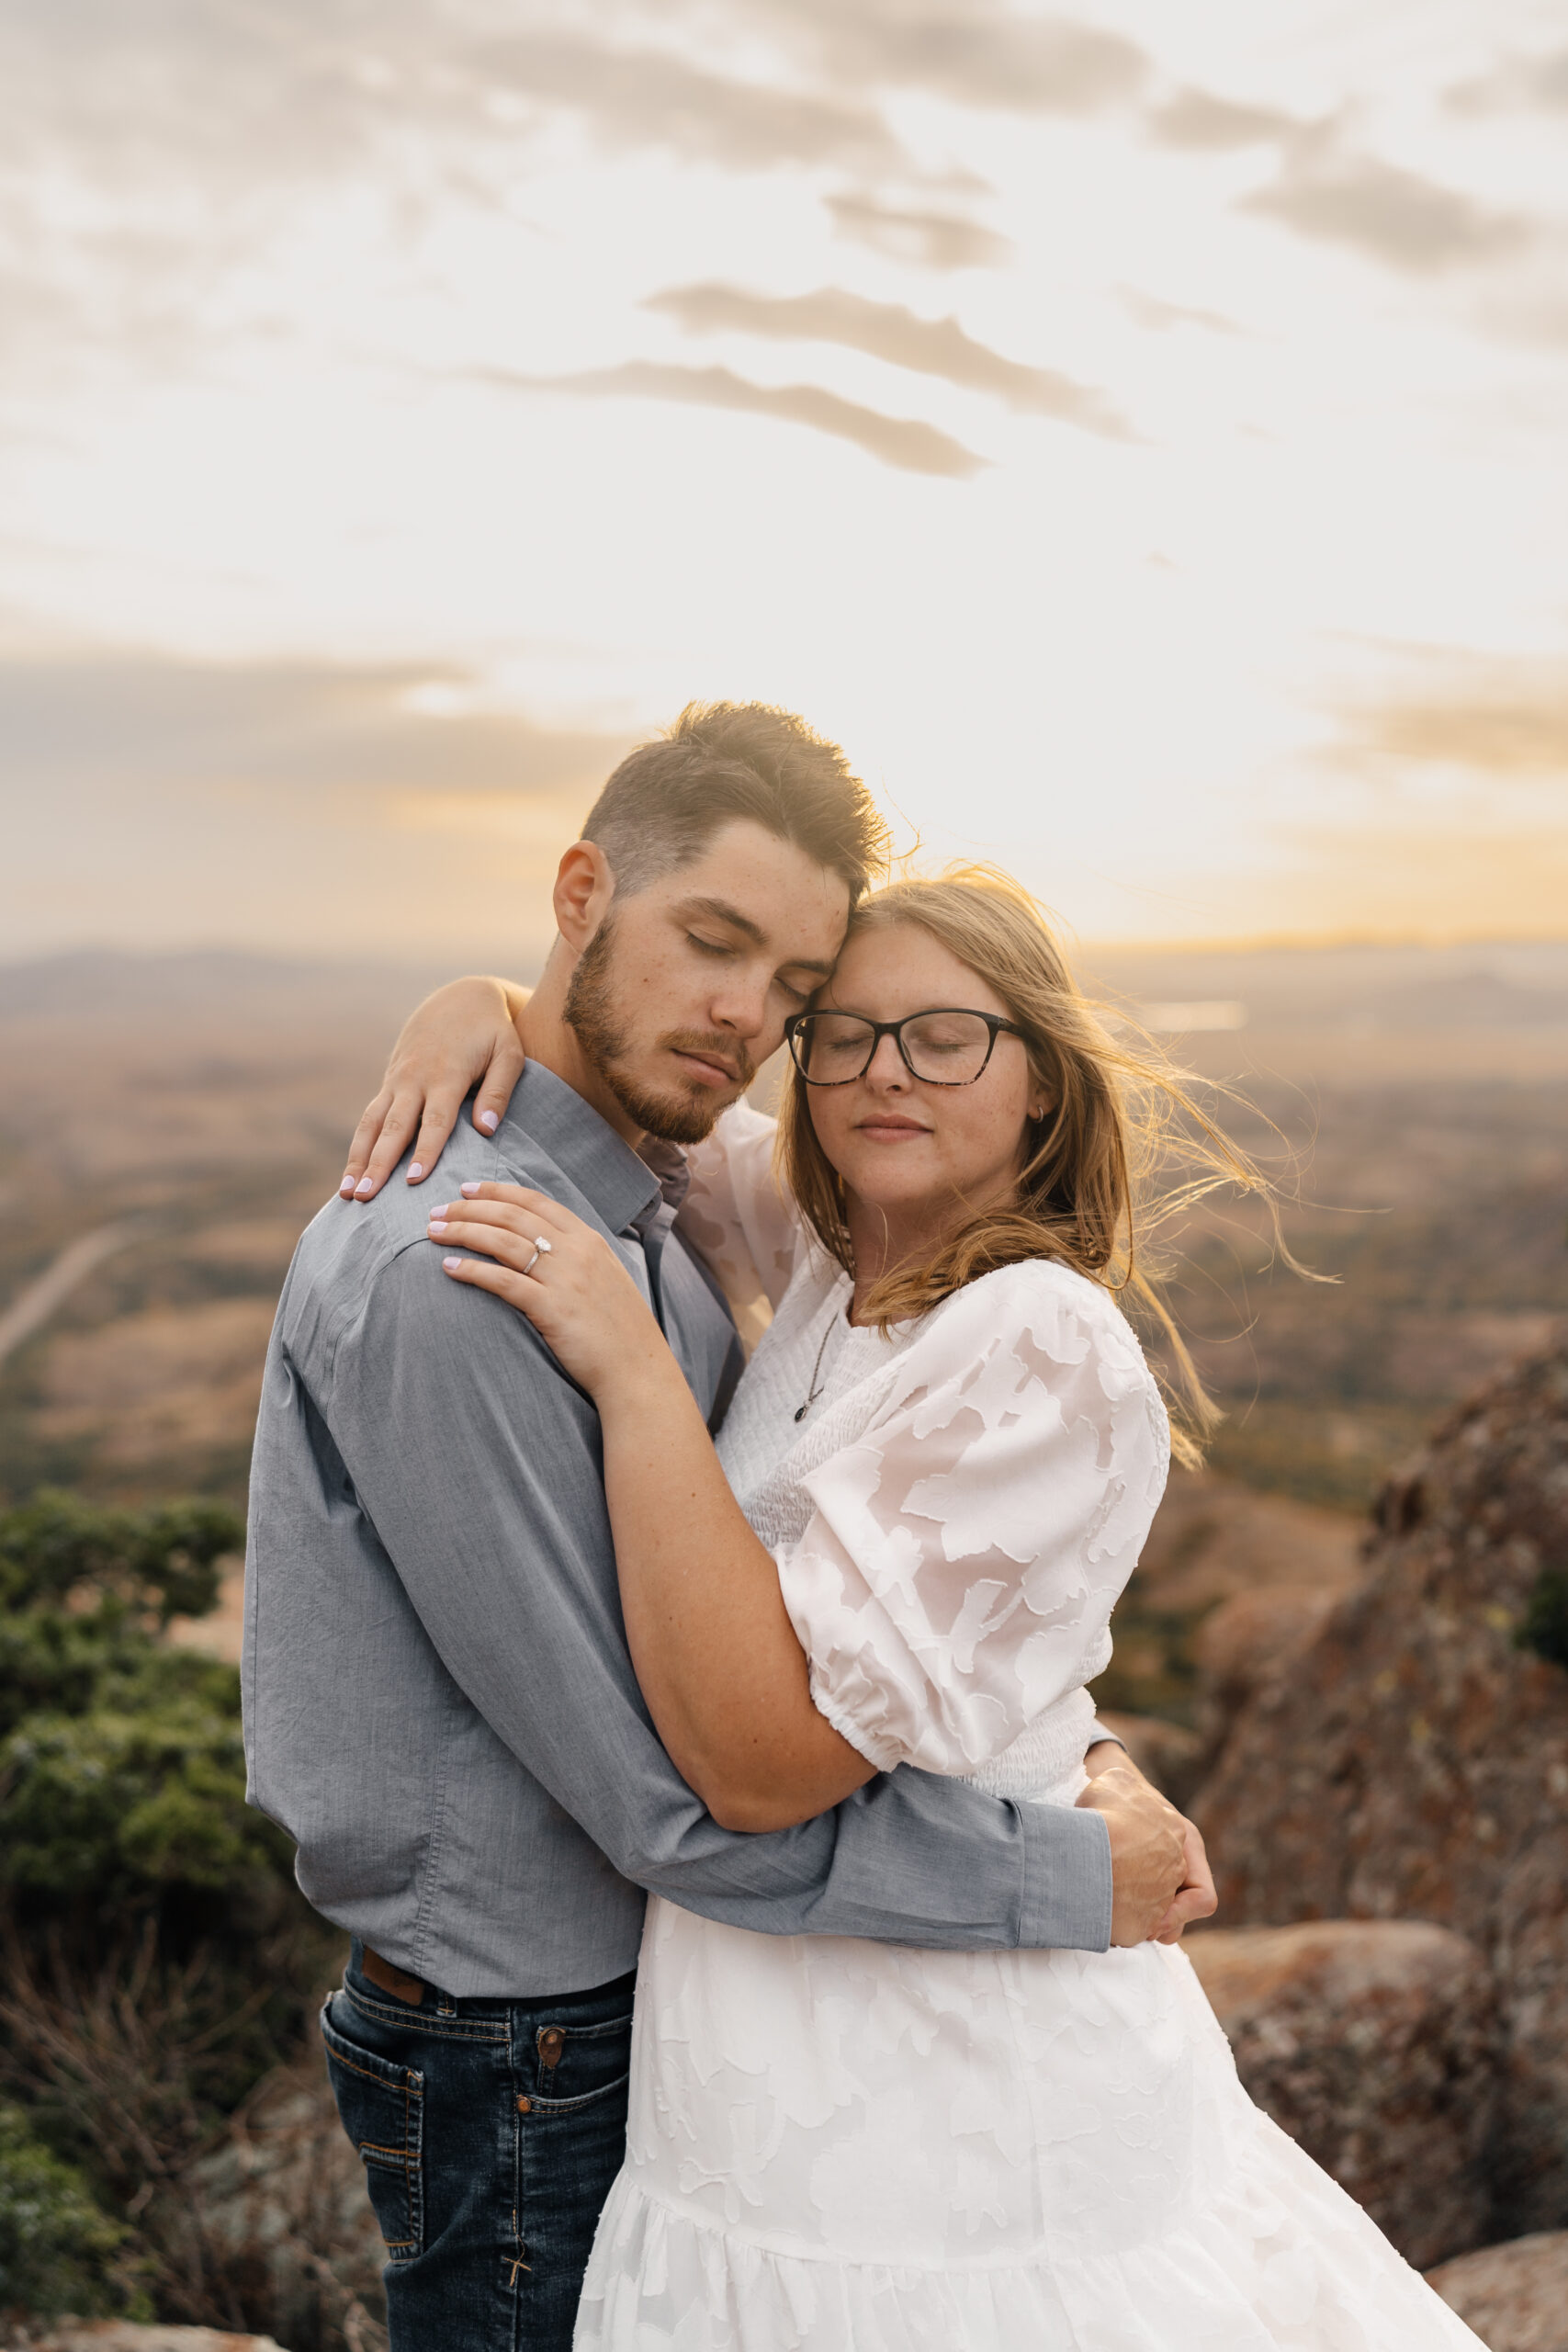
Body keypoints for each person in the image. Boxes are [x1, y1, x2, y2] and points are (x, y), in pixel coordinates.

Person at [355, 864, 1483, 2347]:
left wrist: (635, 1372)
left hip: (945, 2112)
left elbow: (762, 1768)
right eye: (845, 1031)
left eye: (947, 1037)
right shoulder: (835, 1254)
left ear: (1040, 1087)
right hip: (752, 2080)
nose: (885, 1071)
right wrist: (479, 1006)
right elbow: (639, 1109)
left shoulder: (1037, 1340)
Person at [244, 703, 1205, 2352]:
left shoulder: (647, 1195)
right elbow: (682, 1803)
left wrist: (481, 1001)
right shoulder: (472, 1276)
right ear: (578, 894)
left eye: (792, 994)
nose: (746, 1021)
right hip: (529, 2047)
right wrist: (1065, 1872)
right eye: (713, 942)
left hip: (685, 2023)